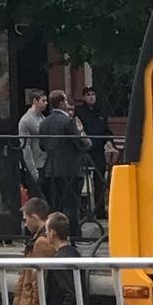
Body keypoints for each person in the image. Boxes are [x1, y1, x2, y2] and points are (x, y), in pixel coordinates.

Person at [43, 92, 89, 228]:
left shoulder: (45, 122)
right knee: (71, 205)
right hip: (70, 169)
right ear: (62, 103)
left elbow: (42, 145)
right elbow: (79, 143)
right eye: (66, 102)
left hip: (51, 169)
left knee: (55, 206)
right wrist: (85, 138)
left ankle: (54, 234)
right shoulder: (68, 121)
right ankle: (72, 235)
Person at [75, 90, 114, 225]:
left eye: (93, 95)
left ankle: (99, 209)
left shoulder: (100, 112)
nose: (92, 97)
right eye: (89, 95)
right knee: (81, 180)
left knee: (99, 179)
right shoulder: (79, 112)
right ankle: (81, 209)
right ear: (84, 97)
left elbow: (106, 130)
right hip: (84, 149)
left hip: (98, 150)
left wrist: (109, 141)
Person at [15, 89, 51, 197]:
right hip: (36, 164)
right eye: (43, 100)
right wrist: (32, 171)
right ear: (35, 101)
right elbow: (26, 148)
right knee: (37, 198)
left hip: (44, 163)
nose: (46, 103)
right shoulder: (26, 120)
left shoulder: (42, 118)